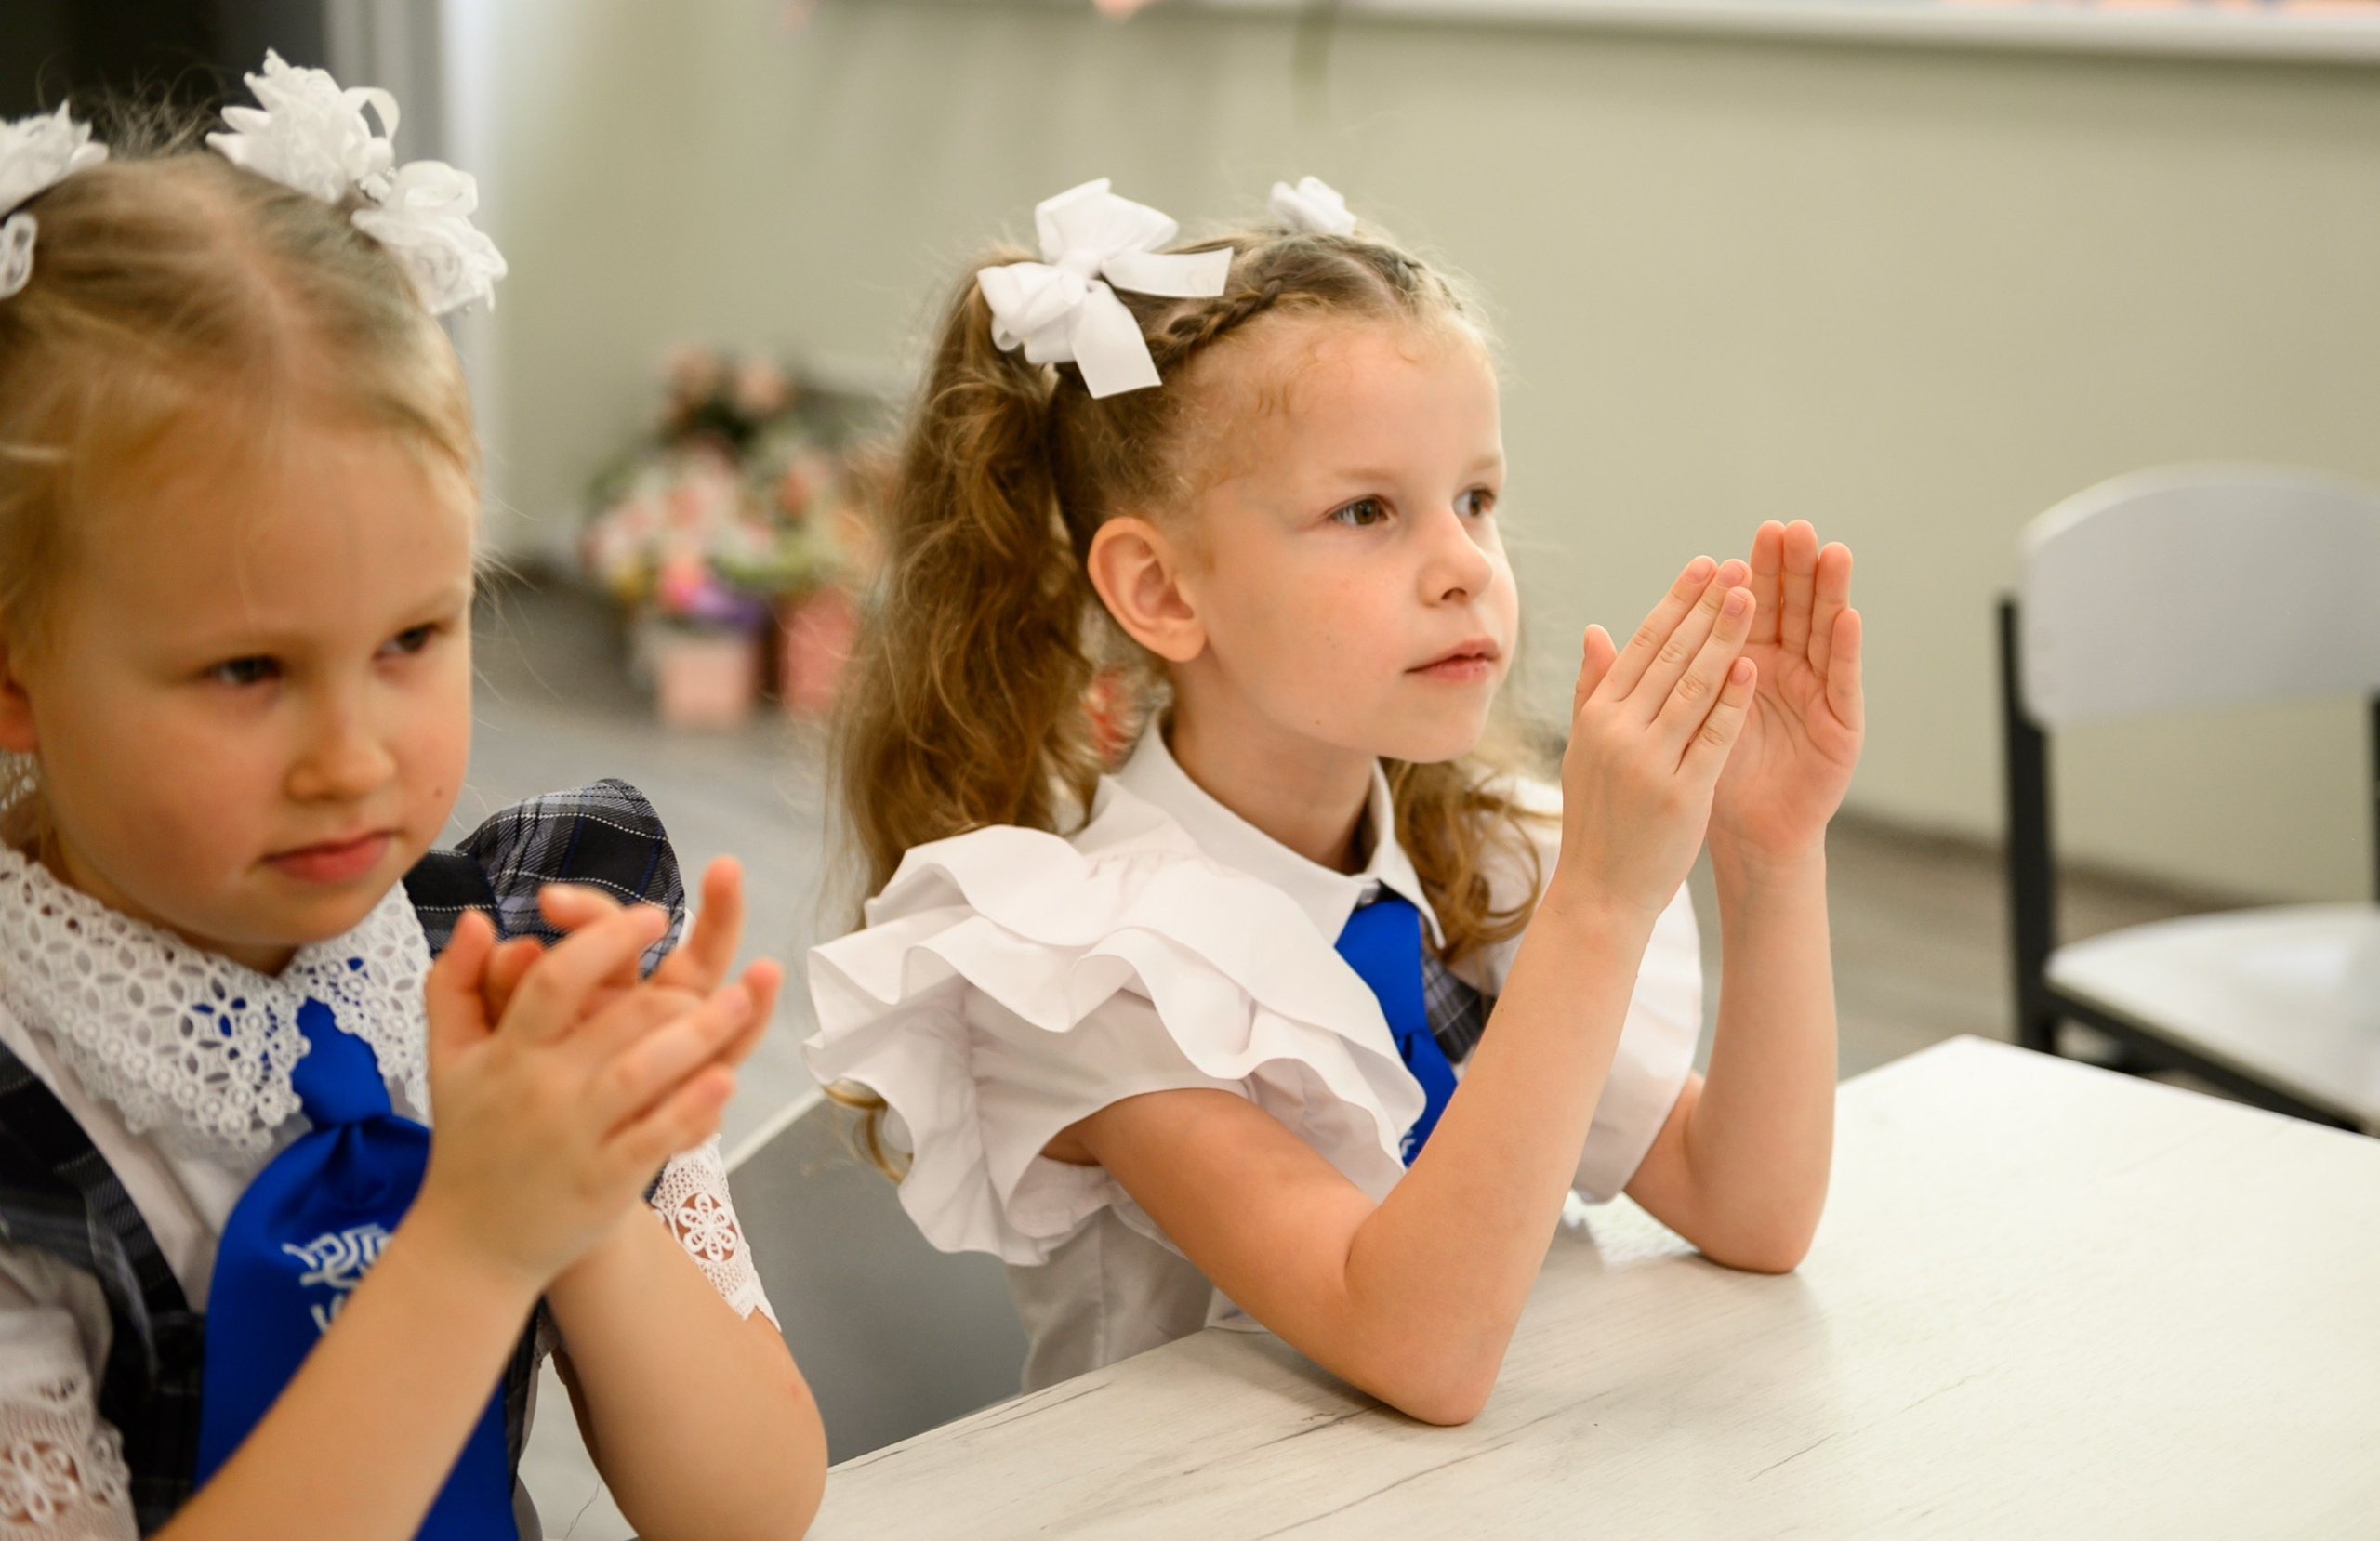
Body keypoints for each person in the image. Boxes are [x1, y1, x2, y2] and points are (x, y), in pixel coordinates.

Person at [807, 177, 1862, 1422]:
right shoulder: (1094, 969)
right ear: (1160, 590)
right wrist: (1602, 906)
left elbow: (1748, 1207)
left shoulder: (1479, 863)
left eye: (1476, 499)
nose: (1465, 565)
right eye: (1367, 510)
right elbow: (1414, 1343)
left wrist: (1767, 854)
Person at [0, 60, 826, 1540]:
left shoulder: (510, 949)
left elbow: (749, 1506)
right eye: (248, 667)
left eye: (411, 640)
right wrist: (471, 1241)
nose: (353, 755)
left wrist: (583, 1199)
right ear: (15, 675)